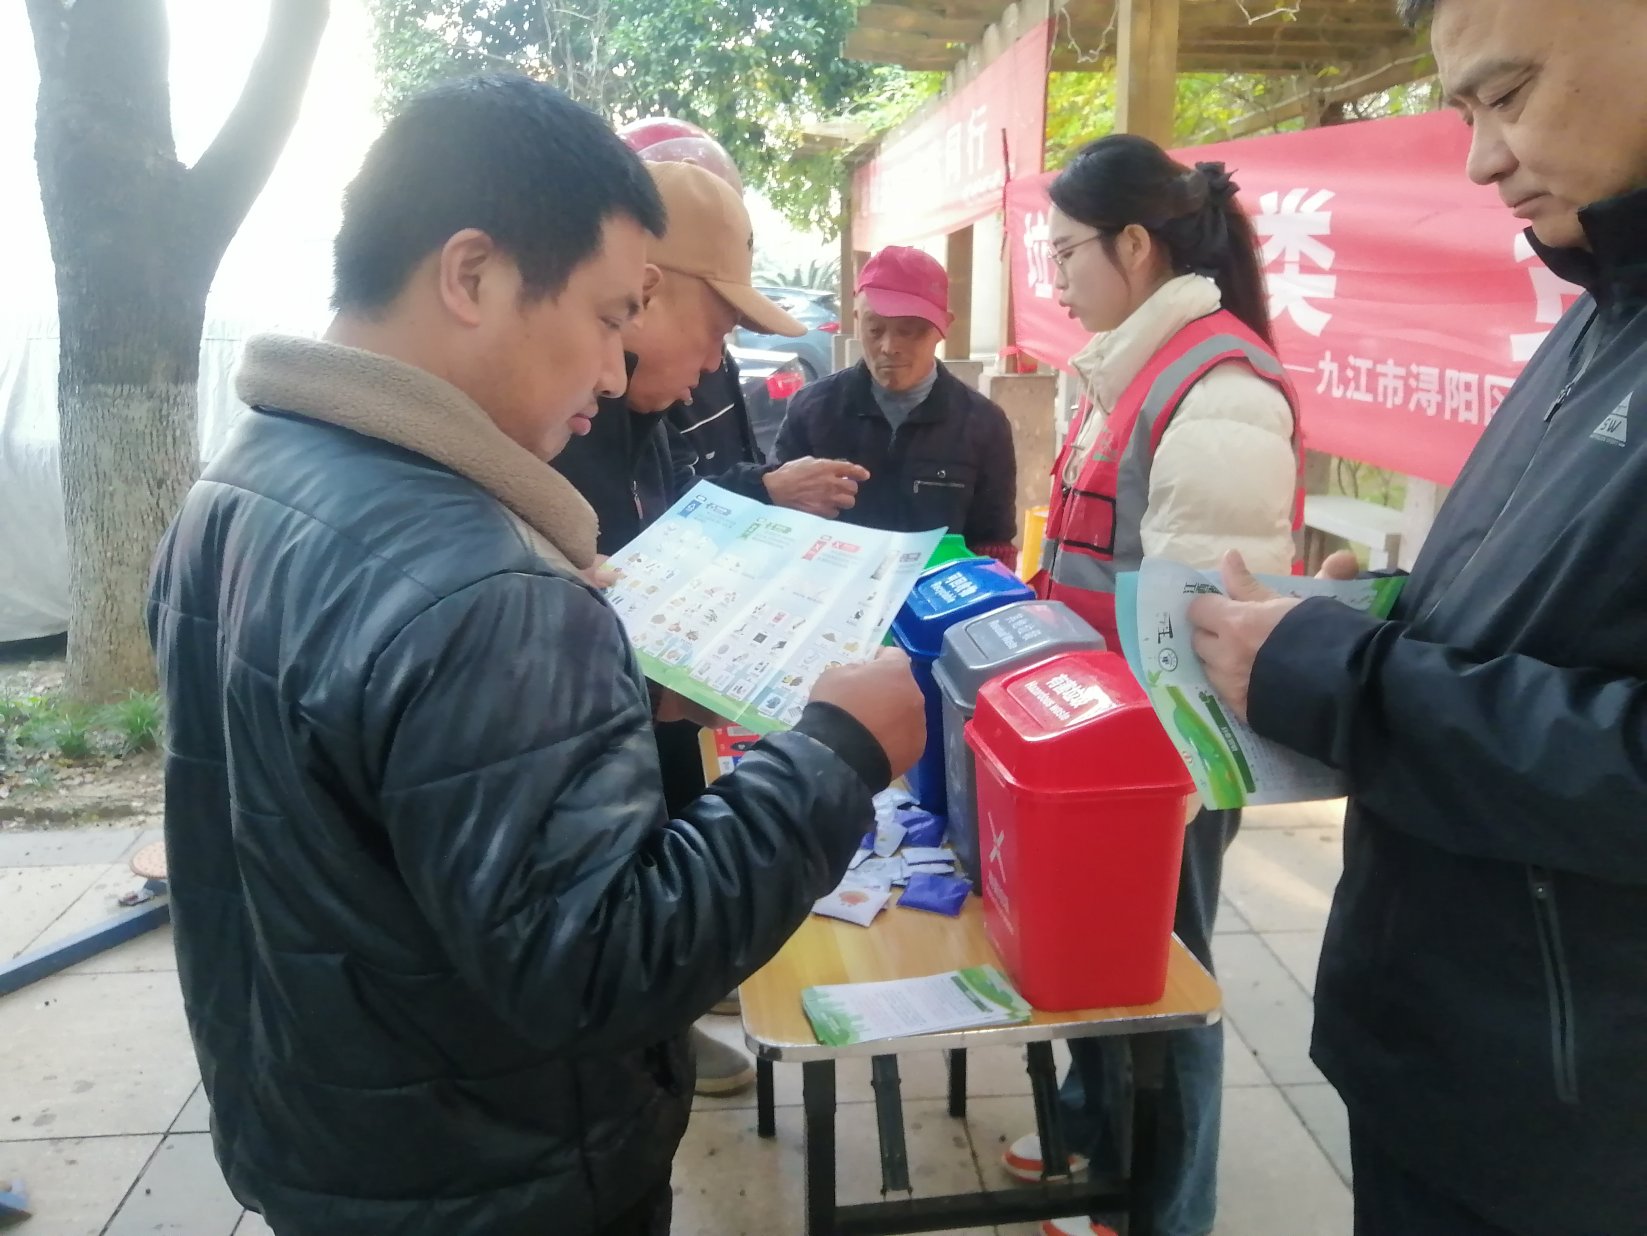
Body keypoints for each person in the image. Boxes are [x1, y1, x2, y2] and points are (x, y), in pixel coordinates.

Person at [146, 74, 925, 1236]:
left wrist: (610, 701)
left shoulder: (239, 486)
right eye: (610, 316)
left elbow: (365, 809)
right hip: (502, 1174)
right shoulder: (488, 582)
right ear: (472, 275)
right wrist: (835, 753)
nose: (614, 372)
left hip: (323, 1132)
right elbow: (605, 965)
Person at [1186, 1, 1647, 1232]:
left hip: (1571, 1133)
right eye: (1463, 111)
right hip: (1443, 1060)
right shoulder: (1601, 305)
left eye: (1510, 94)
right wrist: (1382, 614)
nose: (1482, 159)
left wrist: (1346, 677)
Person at [1011, 135, 1301, 1236]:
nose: (1055, 277)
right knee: (1101, 963)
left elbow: (1202, 633)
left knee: (1165, 982)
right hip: (1099, 739)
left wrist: (1160, 796)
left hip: (1161, 763)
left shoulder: (1216, 389)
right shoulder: (1122, 366)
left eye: (1064, 252)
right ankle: (1095, 1133)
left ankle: (1166, 1212)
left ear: (1133, 245)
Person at [616, 116, 865, 516]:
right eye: (715, 333)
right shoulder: (560, 430)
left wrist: (764, 486)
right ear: (643, 293)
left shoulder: (647, 414)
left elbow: (670, 487)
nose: (714, 363)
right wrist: (765, 488)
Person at [774, 246, 1020, 565]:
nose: (889, 347)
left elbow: (994, 545)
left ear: (943, 327)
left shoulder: (984, 424)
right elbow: (779, 520)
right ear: (857, 319)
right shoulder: (812, 410)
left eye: (909, 331)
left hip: (935, 592)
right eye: (874, 330)